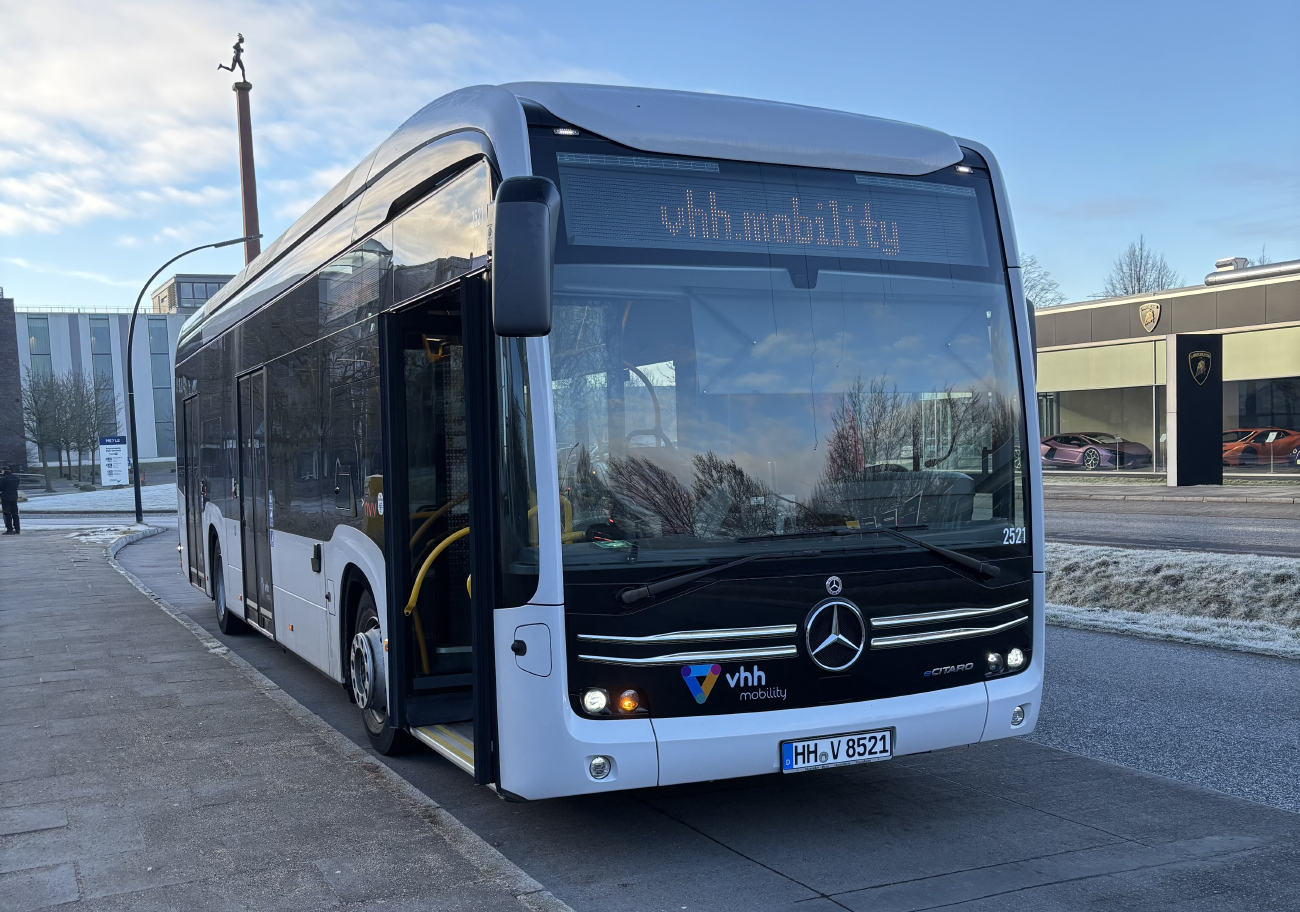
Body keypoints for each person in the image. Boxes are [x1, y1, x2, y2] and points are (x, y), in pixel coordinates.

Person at [0, 467, 19, 535]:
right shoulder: (16, 478)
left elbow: (1, 488)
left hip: (6, 498)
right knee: (15, 513)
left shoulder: (4, 479)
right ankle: (17, 528)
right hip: (14, 497)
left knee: (7, 513)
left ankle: (9, 529)